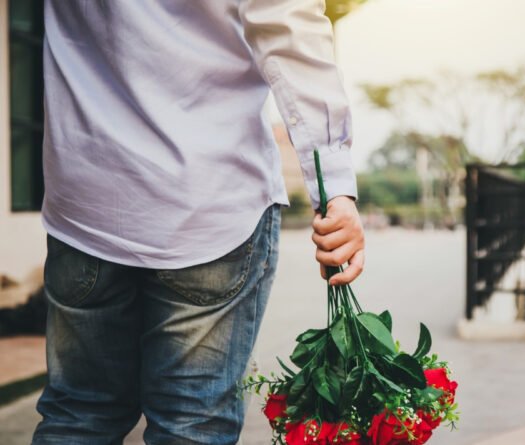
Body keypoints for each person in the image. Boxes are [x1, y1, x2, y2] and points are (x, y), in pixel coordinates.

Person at [33, 1, 365, 443]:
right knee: (191, 424)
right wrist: (333, 183)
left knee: (79, 414)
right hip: (209, 202)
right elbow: (286, 25)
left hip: (86, 198)